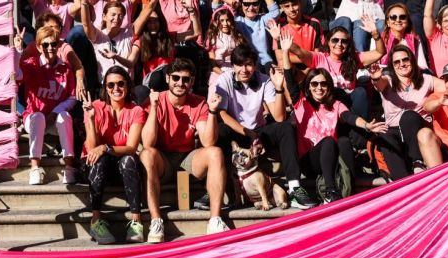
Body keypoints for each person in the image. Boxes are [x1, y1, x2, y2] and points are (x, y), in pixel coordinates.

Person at [213, 45, 317, 210]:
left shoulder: (263, 79)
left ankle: (295, 187)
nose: (244, 69)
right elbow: (223, 115)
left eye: (249, 64)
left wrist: (278, 88)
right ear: (233, 66)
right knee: (219, 130)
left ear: (255, 65)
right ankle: (219, 186)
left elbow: (279, 117)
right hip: (237, 132)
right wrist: (248, 133)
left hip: (259, 131)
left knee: (285, 127)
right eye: (240, 65)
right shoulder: (224, 79)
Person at [140, 59, 227, 242]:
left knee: (215, 153)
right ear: (167, 79)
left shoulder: (198, 103)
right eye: (176, 78)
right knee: (147, 154)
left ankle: (215, 219)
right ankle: (156, 221)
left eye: (185, 79)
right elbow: (147, 142)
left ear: (192, 82)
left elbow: (208, 141)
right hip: (163, 159)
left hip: (188, 157)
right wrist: (154, 107)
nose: (180, 83)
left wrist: (212, 112)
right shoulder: (155, 99)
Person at [277, 42, 354, 204]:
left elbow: (349, 117)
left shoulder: (336, 105)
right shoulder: (300, 102)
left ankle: (350, 190)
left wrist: (367, 126)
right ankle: (330, 191)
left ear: (329, 86)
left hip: (329, 157)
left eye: (323, 83)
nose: (319, 88)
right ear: (309, 86)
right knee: (328, 141)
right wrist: (285, 52)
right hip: (309, 161)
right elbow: (289, 77)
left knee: (344, 141)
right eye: (314, 84)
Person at [82, 67, 147, 244]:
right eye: (110, 84)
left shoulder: (136, 111)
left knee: (128, 160)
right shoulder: (94, 106)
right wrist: (92, 119)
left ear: (127, 85)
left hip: (123, 164)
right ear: (105, 87)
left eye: (120, 83)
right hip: (97, 165)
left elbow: (132, 147)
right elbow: (91, 148)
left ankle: (136, 221)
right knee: (99, 159)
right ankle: (95, 220)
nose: (115, 88)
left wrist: (106, 147)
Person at [16, 26, 81, 186]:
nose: (50, 48)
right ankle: (35, 167)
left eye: (53, 44)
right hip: (33, 118)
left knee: (65, 116)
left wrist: (55, 111)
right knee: (38, 117)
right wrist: (18, 50)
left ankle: (69, 166)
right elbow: (16, 74)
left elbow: (73, 97)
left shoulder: (65, 69)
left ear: (58, 45)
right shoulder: (31, 64)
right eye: (45, 45)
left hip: (54, 121)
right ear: (38, 46)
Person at [367, 45, 443, 179]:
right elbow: (379, 84)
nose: (401, 64)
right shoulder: (388, 80)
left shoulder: (426, 79)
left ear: (412, 61)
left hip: (417, 130)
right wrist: (375, 78)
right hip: (394, 130)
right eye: (397, 62)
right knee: (384, 138)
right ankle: (403, 183)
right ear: (392, 65)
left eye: (405, 60)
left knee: (409, 116)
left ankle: (417, 162)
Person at [379, 2, 429, 73]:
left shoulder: (415, 39)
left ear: (407, 21)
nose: (398, 20)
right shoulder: (379, 39)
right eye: (393, 17)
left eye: (402, 17)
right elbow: (376, 67)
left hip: (410, 74)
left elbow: (422, 65)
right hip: (387, 76)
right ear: (388, 22)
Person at [201, 4, 248, 76]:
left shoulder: (237, 37)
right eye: (221, 21)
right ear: (215, 22)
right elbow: (213, 64)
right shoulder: (213, 38)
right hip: (219, 71)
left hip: (236, 70)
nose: (225, 24)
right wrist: (223, 74)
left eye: (227, 20)